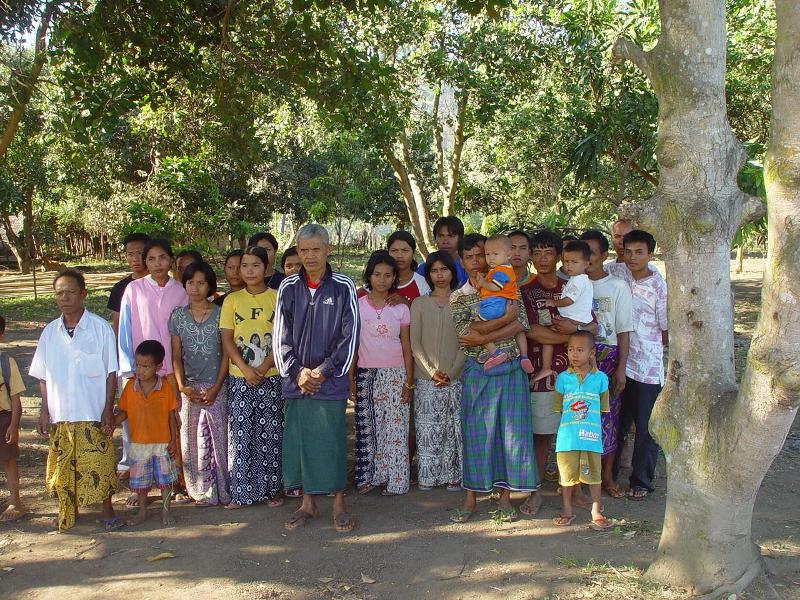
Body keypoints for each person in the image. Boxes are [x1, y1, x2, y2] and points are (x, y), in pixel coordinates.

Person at [274, 223, 358, 532]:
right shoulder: (287, 287)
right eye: (304, 250)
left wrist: (323, 371)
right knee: (301, 442)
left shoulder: (343, 286)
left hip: (330, 381)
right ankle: (307, 503)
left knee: (333, 440)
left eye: (316, 249)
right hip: (297, 383)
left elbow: (350, 337)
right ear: (297, 251)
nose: (309, 256)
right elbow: (279, 336)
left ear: (328, 250)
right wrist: (297, 373)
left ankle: (339, 504)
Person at [449, 233, 538, 523]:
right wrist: (504, 322)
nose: (478, 262)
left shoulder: (507, 285)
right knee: (477, 436)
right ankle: (471, 498)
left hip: (511, 370)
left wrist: (489, 330)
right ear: (462, 261)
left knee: (510, 437)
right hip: (479, 372)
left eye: (482, 255)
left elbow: (522, 323)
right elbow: (466, 338)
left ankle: (504, 499)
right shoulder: (459, 297)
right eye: (471, 257)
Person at [30, 270, 122, 531]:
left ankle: (107, 509)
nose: (65, 298)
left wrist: (107, 409)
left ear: (83, 294)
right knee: (64, 466)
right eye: (59, 293)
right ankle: (70, 510)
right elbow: (43, 376)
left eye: (70, 292)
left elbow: (110, 372)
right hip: (61, 413)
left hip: (91, 411)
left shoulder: (100, 328)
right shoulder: (50, 332)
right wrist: (44, 411)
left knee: (99, 464)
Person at [519, 230, 598, 517]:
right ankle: (536, 491)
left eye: (548, 252)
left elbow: (593, 326)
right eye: (536, 252)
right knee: (541, 435)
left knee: (576, 432)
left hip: (577, 375)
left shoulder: (576, 285)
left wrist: (575, 333)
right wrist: (572, 336)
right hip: (545, 374)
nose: (542, 258)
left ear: (559, 256)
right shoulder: (527, 291)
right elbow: (532, 331)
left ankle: (574, 491)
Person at [118, 239, 188, 504]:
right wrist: (130, 369)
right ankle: (142, 487)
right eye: (151, 259)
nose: (157, 264)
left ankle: (175, 483)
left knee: (172, 426)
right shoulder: (134, 290)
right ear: (145, 263)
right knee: (142, 428)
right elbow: (125, 329)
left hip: (171, 371)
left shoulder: (181, 291)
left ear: (171, 260)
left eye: (162, 258)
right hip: (144, 373)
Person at [220, 246, 285, 508]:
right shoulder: (232, 300)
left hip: (272, 377)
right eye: (243, 265)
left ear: (267, 266)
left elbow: (282, 336)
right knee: (241, 434)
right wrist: (246, 369)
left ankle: (271, 491)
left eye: (255, 265)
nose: (248, 270)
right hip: (239, 377)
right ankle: (241, 493)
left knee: (270, 433)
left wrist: (266, 365)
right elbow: (227, 339)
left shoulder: (278, 297)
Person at [607, 230, 668, 500]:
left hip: (646, 367)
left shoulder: (658, 285)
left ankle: (641, 481)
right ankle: (609, 478)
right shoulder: (614, 273)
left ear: (650, 254)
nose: (632, 257)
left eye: (639, 252)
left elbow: (666, 329)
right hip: (617, 361)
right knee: (616, 422)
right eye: (628, 251)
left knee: (645, 427)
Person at [352, 251, 414, 496]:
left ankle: (397, 482)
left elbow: (407, 346)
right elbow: (354, 346)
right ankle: (373, 476)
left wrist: (408, 382)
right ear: (369, 275)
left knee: (396, 429)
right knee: (371, 427)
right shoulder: (357, 306)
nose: (382, 279)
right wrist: (350, 380)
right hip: (367, 374)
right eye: (377, 274)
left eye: (388, 275)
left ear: (394, 278)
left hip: (396, 374)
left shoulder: (400, 308)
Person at [170, 261, 230, 506]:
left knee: (220, 438)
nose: (195, 288)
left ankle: (224, 489)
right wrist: (182, 386)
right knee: (191, 439)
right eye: (190, 282)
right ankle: (199, 490)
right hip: (190, 387)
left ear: (210, 286)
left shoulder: (221, 313)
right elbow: (175, 355)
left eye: (201, 283)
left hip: (217, 385)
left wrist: (217, 386)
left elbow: (227, 353)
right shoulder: (177, 316)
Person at [580, 229, 633, 498]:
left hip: (608, 359)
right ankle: (580, 478)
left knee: (608, 417)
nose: (586, 258)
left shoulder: (617, 287)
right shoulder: (573, 286)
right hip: (578, 360)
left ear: (604, 255)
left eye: (592, 252)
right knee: (580, 418)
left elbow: (623, 331)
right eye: (582, 252)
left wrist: (621, 368)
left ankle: (607, 477)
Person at [410, 251, 465, 491]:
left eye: (444, 269)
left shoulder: (462, 301)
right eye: (434, 270)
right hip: (426, 380)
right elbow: (415, 344)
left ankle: (454, 476)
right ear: (428, 274)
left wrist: (452, 372)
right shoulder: (419, 303)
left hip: (456, 378)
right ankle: (428, 477)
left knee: (453, 429)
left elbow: (467, 341)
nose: (439, 275)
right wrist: (432, 372)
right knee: (427, 429)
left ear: (452, 272)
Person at [552, 331, 613, 530]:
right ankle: (567, 510)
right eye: (570, 350)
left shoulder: (601, 379)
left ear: (592, 353)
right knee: (567, 476)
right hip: (567, 439)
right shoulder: (562, 378)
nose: (574, 354)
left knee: (594, 475)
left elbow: (603, 409)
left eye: (580, 350)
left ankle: (596, 511)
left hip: (591, 437)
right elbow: (559, 406)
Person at [115, 340, 179, 527]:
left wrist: (174, 440)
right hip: (138, 443)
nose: (140, 370)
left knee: (166, 482)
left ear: (158, 367)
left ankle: (166, 511)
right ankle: (142, 512)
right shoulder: (130, 388)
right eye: (138, 365)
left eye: (146, 366)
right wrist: (111, 424)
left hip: (162, 443)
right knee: (141, 483)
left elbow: (171, 416)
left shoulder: (166, 387)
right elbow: (124, 412)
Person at [534, 240, 594, 383]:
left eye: (574, 262)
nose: (568, 266)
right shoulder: (577, 279)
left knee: (549, 335)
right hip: (578, 320)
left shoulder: (578, 281)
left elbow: (569, 300)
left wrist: (552, 302)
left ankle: (546, 367)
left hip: (573, 319)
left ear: (586, 264)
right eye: (566, 262)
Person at [473, 234, 534, 373]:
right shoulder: (501, 270)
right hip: (509, 302)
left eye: (495, 254)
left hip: (495, 304)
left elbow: (495, 287)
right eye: (488, 254)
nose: (491, 258)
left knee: (477, 327)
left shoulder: (501, 270)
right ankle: (524, 356)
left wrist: (482, 282)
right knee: (519, 331)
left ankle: (495, 352)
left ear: (508, 255)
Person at [0, 315, 25, 522]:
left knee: (8, 461)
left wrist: (14, 425)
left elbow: (16, 399)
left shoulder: (7, 363)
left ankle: (15, 501)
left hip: (3, 418)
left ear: (2, 335)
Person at [108, 232, 150, 334]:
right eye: (130, 254)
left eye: (140, 253)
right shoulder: (119, 288)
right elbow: (118, 325)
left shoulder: (160, 284)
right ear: (126, 256)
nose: (135, 259)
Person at [416, 216, 469, 286]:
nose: (445, 241)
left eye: (450, 236)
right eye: (441, 236)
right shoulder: (423, 269)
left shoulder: (468, 266)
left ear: (460, 238)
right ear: (435, 238)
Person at [387, 231, 431, 302]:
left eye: (405, 251)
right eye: (394, 251)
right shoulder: (379, 281)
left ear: (413, 253)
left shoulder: (422, 284)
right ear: (388, 252)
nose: (399, 256)